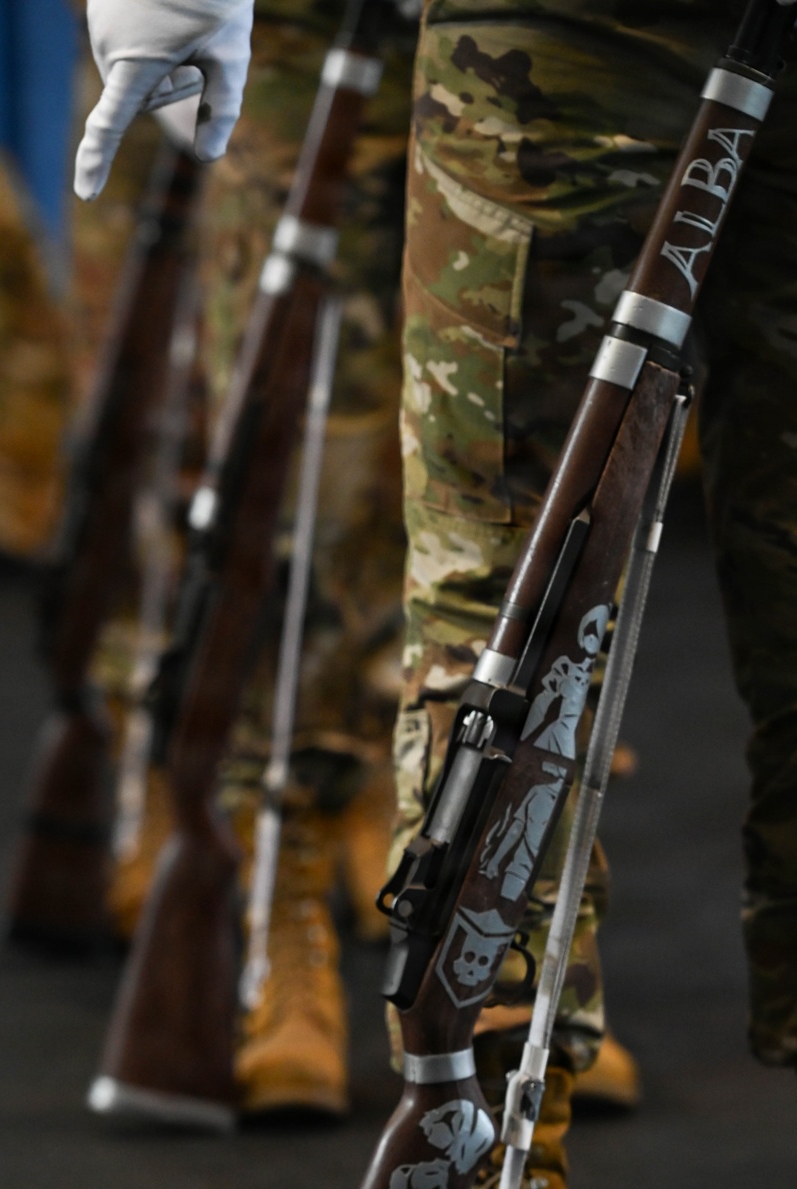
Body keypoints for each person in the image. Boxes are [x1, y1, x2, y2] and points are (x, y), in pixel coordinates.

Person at [76, 0, 642, 1126]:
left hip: (522, 36)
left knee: (513, 476)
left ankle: (512, 947)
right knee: (292, 476)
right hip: (294, 35)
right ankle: (274, 900)